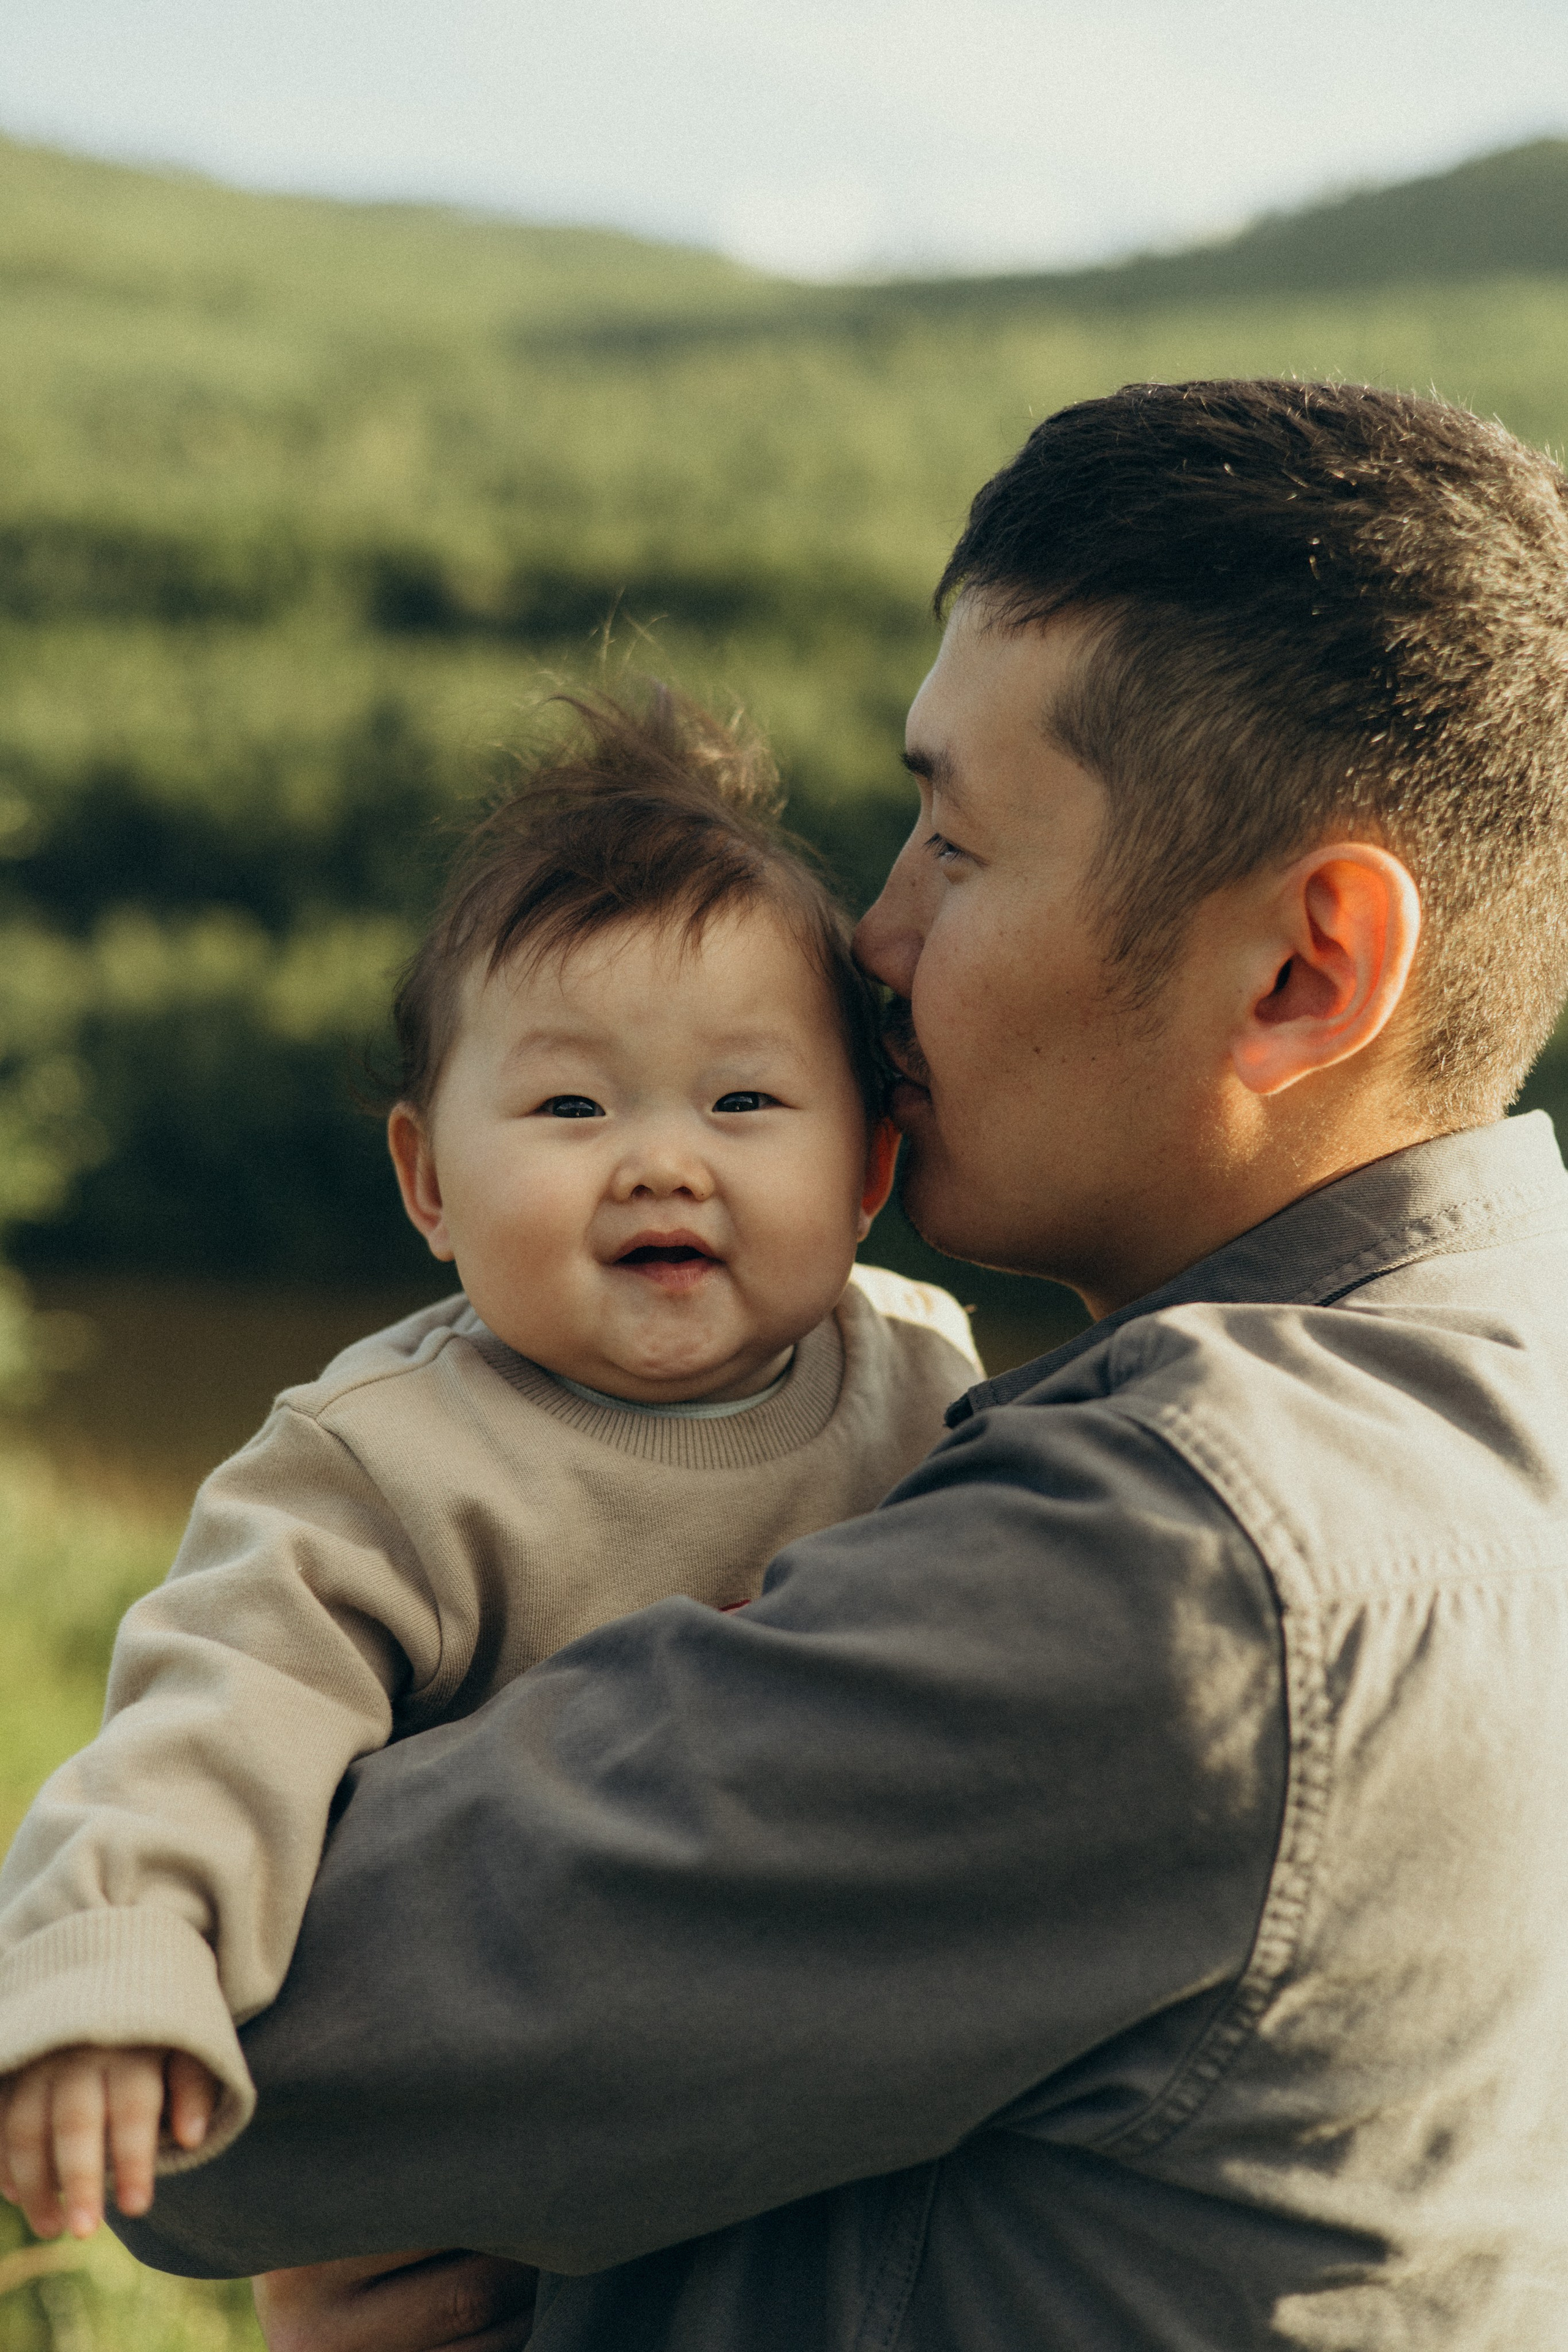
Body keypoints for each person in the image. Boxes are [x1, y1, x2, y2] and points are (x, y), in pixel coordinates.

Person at [58, 375, 1568, 2348]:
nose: (871, 931)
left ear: (1303, 970)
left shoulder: (1182, 1562)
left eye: (955, 842)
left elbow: (210, 2106)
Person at [0, 688, 981, 2250]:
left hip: (829, 2133)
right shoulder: (382, 1465)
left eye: (744, 1101)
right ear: (428, 1181)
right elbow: (210, 1728)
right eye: (570, 1106)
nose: (663, 1158)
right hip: (521, 2179)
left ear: (868, 1169)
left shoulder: (920, 1374)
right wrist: (113, 1970)